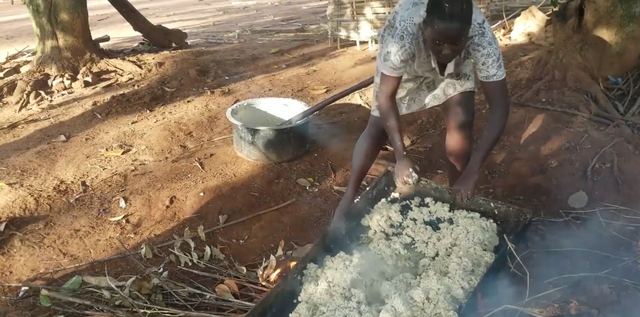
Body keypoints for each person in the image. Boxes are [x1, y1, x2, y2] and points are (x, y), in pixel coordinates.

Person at [332, 0, 510, 225]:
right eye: (438, 42)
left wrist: (473, 171)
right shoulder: (405, 35)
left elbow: (500, 106)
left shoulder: (480, 36)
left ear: (467, 35)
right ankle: (347, 199)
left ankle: (457, 197)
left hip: (457, 65)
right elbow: (386, 98)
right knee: (377, 126)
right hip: (411, 61)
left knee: (461, 120)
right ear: (425, 28)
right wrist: (401, 157)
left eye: (456, 42)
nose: (446, 51)